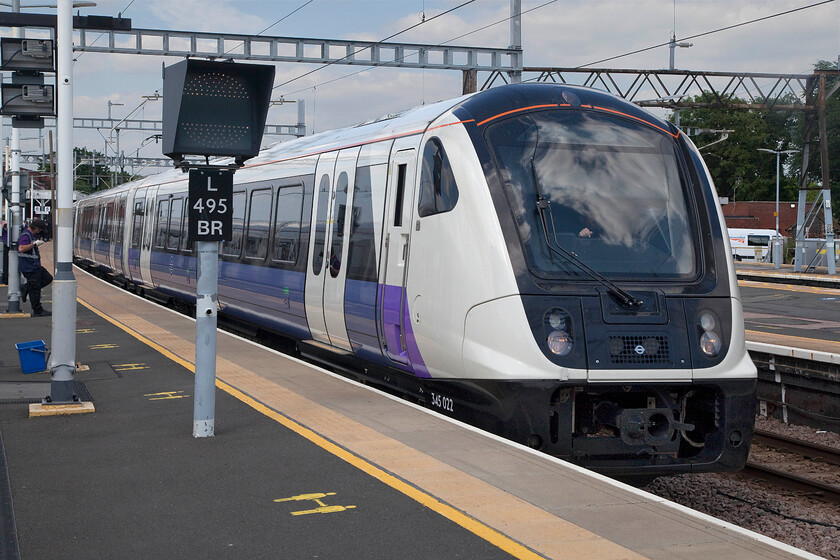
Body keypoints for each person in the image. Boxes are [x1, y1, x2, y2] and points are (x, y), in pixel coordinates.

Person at [18, 218, 52, 317]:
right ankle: (38, 310)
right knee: (35, 289)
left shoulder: (30, 235)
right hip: (29, 267)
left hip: (34, 266)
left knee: (48, 278)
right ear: (36, 228)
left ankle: (26, 288)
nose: (40, 232)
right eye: (40, 230)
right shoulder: (26, 235)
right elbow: (21, 248)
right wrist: (34, 244)